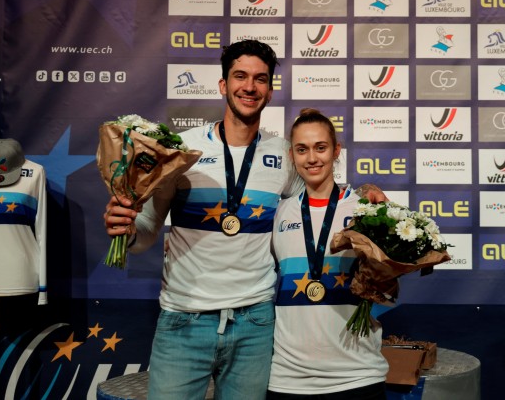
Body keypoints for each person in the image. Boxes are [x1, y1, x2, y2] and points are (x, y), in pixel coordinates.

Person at [103, 40, 384, 399]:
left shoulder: (283, 155)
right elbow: (146, 231)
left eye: (260, 79)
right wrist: (125, 229)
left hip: (255, 323)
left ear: (268, 91)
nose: (249, 87)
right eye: (240, 76)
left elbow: (321, 198)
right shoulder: (181, 151)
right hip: (185, 319)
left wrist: (367, 196)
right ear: (223, 85)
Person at [267, 108, 389, 399]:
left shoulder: (365, 210)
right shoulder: (278, 213)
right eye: (302, 149)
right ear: (291, 155)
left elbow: (389, 287)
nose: (312, 158)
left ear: (336, 150)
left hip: (357, 375)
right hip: (287, 378)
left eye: (320, 148)